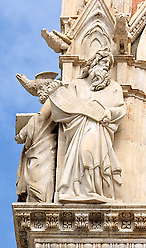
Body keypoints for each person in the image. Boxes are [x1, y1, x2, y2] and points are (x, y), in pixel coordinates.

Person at [50, 47, 126, 203]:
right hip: (79, 129)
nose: (106, 67)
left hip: (99, 130)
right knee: (83, 154)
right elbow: (63, 108)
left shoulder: (114, 88)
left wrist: (109, 113)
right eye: (104, 62)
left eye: (109, 65)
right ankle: (79, 190)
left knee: (90, 152)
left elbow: (121, 109)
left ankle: (94, 189)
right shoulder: (76, 85)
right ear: (94, 63)